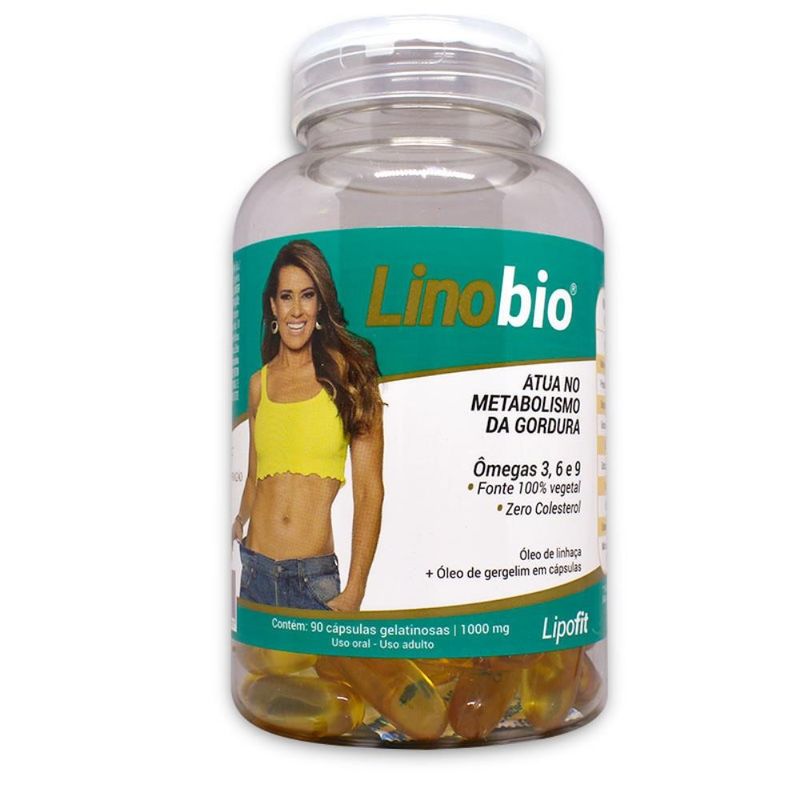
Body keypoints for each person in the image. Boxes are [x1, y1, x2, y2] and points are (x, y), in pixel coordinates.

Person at [232, 239, 384, 612]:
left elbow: (369, 492)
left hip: (313, 584)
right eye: (286, 296)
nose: (296, 310)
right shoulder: (259, 384)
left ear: (320, 305)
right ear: (273, 305)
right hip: (253, 574)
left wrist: (355, 592)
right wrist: (236, 521)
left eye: (307, 295)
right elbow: (254, 476)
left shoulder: (351, 377)